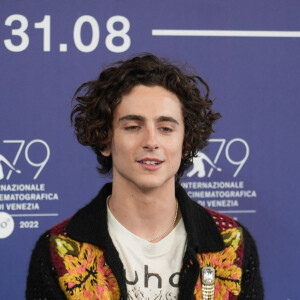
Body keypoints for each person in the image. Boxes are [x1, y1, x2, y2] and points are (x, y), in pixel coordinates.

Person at [26, 54, 264, 299]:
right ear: (105, 140)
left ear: (186, 143)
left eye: (165, 129)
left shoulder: (232, 243)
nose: (151, 141)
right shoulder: (58, 250)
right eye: (133, 127)